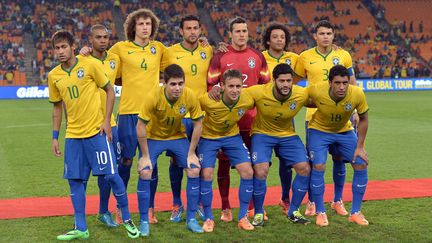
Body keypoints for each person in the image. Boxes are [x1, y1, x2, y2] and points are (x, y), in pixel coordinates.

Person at [48, 30, 139, 240]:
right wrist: (54, 136)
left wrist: (107, 121)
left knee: (111, 175)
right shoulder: (54, 76)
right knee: (75, 180)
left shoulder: (89, 64)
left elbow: (109, 90)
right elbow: (56, 108)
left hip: (96, 131)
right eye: (57, 48)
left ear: (73, 47)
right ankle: (81, 227)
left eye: (64, 47)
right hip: (72, 136)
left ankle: (126, 218)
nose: (60, 51)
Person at [207, 16, 269, 222]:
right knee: (223, 165)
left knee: (252, 167)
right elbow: (211, 86)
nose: (242, 34)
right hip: (228, 123)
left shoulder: (257, 56)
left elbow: (265, 86)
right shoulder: (219, 57)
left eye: (244, 31)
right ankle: (225, 206)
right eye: (238, 31)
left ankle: (252, 207)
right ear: (230, 34)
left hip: (252, 123)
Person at [294, 20, 357, 216]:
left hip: (341, 116)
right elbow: (294, 82)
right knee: (315, 162)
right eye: (322, 33)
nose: (326, 37)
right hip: (314, 117)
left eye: (329, 33)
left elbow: (352, 84)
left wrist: (353, 109)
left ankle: (337, 200)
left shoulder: (343, 55)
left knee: (339, 159)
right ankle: (312, 201)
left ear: (333, 35)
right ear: (315, 36)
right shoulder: (305, 57)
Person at [109, 8, 165, 224]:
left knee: (152, 162)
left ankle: (150, 209)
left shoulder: (159, 49)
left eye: (148, 24)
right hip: (128, 113)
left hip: (152, 114)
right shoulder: (120, 48)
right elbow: (110, 72)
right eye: (141, 24)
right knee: (126, 160)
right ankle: (121, 208)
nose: (145, 27)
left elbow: (176, 68)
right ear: (133, 27)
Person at [136, 64, 204, 236]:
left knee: (194, 169)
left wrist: (191, 153)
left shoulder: (189, 96)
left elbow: (198, 124)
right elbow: (140, 125)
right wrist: (144, 156)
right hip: (154, 138)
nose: (178, 88)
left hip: (177, 137)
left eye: (180, 83)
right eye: (173, 84)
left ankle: (191, 219)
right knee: (145, 171)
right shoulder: (153, 96)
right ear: (164, 83)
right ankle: (144, 221)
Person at [160, 14, 213, 222]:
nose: (192, 32)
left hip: (201, 115)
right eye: (188, 28)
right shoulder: (170, 52)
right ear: (181, 31)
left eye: (196, 28)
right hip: (178, 116)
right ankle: (176, 203)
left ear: (200, 30)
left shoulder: (207, 50)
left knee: (199, 160)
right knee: (176, 161)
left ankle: (198, 203)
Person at [246, 63, 311, 227]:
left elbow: (323, 99)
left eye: (289, 81)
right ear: (273, 80)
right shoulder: (259, 91)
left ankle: (293, 211)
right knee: (260, 170)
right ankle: (259, 212)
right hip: (262, 134)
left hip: (287, 135)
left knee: (304, 168)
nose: (286, 85)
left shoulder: (300, 93)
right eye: (282, 81)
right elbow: (234, 97)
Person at [307, 65, 369, 227]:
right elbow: (297, 99)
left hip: (344, 131)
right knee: (319, 165)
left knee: (361, 163)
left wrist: (360, 147)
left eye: (345, 83)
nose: (341, 87)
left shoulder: (357, 93)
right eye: (337, 83)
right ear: (330, 82)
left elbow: (364, 119)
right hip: (319, 131)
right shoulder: (315, 90)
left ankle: (355, 212)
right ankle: (320, 211)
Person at [198, 69, 255, 232]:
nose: (235, 90)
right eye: (231, 86)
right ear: (222, 86)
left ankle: (243, 217)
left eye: (238, 86)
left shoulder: (247, 99)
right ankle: (209, 218)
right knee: (206, 173)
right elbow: (190, 109)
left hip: (232, 137)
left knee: (247, 172)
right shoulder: (207, 100)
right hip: (209, 138)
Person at [77, 24, 122, 228]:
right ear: (90, 40)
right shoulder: (82, 60)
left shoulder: (114, 59)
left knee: (110, 170)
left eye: (105, 37)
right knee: (83, 172)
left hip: (109, 123)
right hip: (88, 125)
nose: (103, 40)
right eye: (98, 37)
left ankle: (103, 211)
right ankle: (79, 218)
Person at [261, 22, 299, 215]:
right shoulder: (260, 58)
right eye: (275, 37)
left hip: (286, 118)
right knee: (261, 164)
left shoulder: (294, 58)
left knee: (286, 163)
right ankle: (257, 205)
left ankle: (285, 198)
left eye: (282, 37)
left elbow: (310, 70)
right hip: (263, 117)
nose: (279, 40)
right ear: (268, 40)